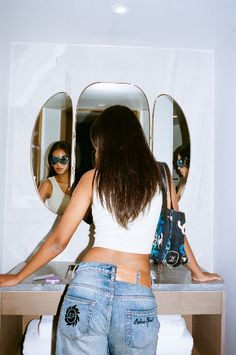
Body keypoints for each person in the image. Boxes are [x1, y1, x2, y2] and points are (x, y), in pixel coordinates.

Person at [0, 106, 221, 354]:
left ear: (103, 143)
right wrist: (197, 272)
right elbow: (177, 234)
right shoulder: (161, 176)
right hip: (136, 288)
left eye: (96, 146)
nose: (96, 152)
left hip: (88, 284)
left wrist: (18, 277)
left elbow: (58, 241)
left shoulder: (92, 178)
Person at [38, 141, 71, 214]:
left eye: (63, 159)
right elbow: (36, 212)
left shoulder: (80, 183)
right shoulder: (47, 184)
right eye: (54, 160)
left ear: (72, 159)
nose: (58, 164)